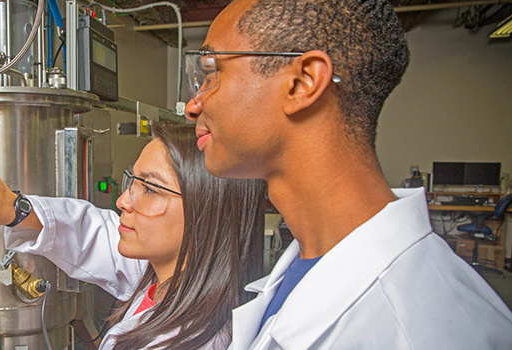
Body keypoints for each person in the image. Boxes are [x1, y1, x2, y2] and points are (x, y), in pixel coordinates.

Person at [183, 0, 512, 349]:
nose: (192, 106)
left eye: (212, 71)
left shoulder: (418, 331)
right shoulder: (306, 261)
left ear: (303, 82)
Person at [0, 123, 266, 349]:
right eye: (131, 181)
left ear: (205, 211)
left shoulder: (193, 339)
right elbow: (92, 232)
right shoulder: (169, 277)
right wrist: (15, 209)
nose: (123, 201)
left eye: (149, 188)